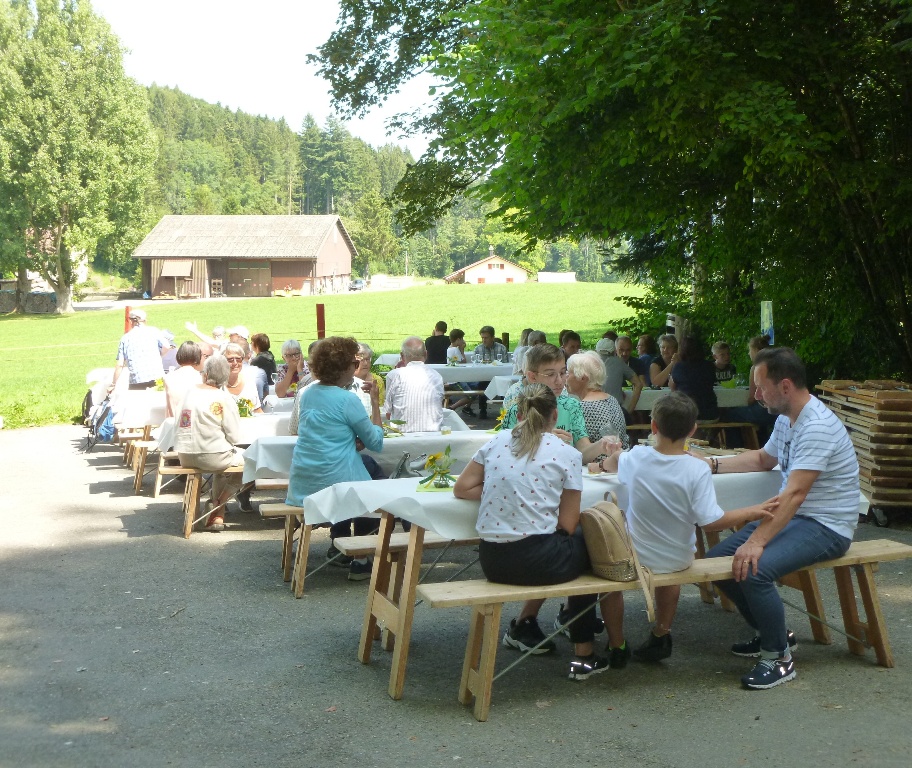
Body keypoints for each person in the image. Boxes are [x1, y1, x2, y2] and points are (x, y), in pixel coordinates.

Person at [705, 347, 860, 690]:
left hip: (827, 525)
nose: (756, 395)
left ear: (785, 386)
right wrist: (711, 463)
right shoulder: (787, 419)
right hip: (797, 517)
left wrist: (756, 541)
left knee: (753, 569)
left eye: (761, 387)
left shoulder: (816, 425)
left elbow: (795, 494)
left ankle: (778, 659)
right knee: (716, 561)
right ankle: (773, 635)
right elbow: (763, 459)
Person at [595, 392, 776, 664]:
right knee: (671, 570)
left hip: (634, 557)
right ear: (693, 429)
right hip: (678, 557)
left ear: (653, 426)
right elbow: (711, 521)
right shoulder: (697, 468)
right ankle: (661, 633)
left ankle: (617, 644)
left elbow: (612, 463)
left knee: (608, 583)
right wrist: (751, 510)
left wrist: (606, 459)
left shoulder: (637, 457)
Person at [454, 383, 610, 680]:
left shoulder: (496, 442)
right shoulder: (566, 453)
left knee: (568, 546)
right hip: (537, 561)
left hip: (493, 561)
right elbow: (567, 524)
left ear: (520, 413)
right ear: (554, 414)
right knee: (591, 547)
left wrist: (508, 489)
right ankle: (584, 652)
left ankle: (529, 622)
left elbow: (462, 488)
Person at [286, 337, 384, 581]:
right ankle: (360, 558)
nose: (356, 365)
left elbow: (323, 431)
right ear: (343, 367)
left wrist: (349, 438)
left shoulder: (308, 394)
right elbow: (376, 442)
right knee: (376, 488)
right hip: (335, 484)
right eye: (353, 361)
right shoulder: (347, 399)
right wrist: (374, 402)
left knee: (366, 475)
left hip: (305, 483)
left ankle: (341, 545)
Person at [175, 355, 245, 532]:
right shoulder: (223, 398)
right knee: (251, 462)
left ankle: (217, 516)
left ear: (204, 374)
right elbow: (235, 436)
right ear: (224, 377)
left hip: (184, 454)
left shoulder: (187, 394)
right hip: (213, 455)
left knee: (223, 468)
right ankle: (217, 504)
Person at [565, 352, 629, 449]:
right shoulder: (611, 399)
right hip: (620, 458)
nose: (565, 377)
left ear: (583, 378)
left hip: (596, 462)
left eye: (568, 373)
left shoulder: (583, 407)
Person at [383, 337, 445, 432]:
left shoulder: (394, 375)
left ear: (402, 356)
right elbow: (438, 406)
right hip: (433, 435)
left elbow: (387, 413)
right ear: (426, 354)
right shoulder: (437, 376)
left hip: (402, 436)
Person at [725, 335, 778, 444]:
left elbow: (752, 397)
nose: (749, 354)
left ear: (756, 351)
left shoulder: (756, 368)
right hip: (778, 410)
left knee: (729, 415)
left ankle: (736, 447)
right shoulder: (777, 365)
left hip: (763, 411)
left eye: (750, 350)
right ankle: (761, 442)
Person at [108, 309, 166, 393]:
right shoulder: (154, 331)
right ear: (145, 320)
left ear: (131, 321)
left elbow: (120, 365)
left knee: (138, 404)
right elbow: (167, 346)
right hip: (158, 378)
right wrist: (160, 355)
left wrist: (113, 384)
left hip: (136, 381)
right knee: (160, 400)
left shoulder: (125, 338)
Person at [670, 336, 718, 421]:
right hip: (710, 414)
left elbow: (672, 387)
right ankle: (710, 435)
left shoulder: (678, 367)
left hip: (687, 415)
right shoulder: (710, 366)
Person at [595, 338, 641, 422]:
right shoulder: (619, 362)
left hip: (594, 411)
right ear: (614, 351)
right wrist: (629, 410)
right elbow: (638, 384)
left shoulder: (589, 363)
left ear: (596, 351)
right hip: (616, 411)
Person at [471, 326, 508, 418]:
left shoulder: (501, 348)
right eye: (482, 338)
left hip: (499, 376)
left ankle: (506, 410)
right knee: (481, 385)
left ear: (492, 337)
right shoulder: (478, 349)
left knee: (504, 384)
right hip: (484, 376)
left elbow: (505, 365)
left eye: (486, 338)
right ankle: (482, 410)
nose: (484, 340)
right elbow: (475, 366)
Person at [164, 341, 203, 418]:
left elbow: (169, 406)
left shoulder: (169, 377)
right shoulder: (200, 377)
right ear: (197, 356)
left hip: (174, 422)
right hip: (193, 422)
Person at [223, 342, 262, 414]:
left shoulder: (249, 382)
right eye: (230, 360)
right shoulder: (218, 385)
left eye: (238, 359)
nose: (235, 363)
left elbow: (257, 410)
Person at [445, 329, 477, 414]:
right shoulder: (455, 350)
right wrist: (462, 350)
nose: (463, 341)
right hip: (456, 380)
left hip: (455, 378)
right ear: (458, 339)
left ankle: (466, 408)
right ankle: (452, 408)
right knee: (471, 395)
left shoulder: (449, 348)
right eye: (462, 339)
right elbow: (464, 361)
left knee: (476, 386)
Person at [612, 335, 646, 414]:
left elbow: (643, 383)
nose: (624, 353)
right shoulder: (610, 364)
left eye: (628, 350)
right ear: (615, 350)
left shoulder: (638, 363)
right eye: (621, 350)